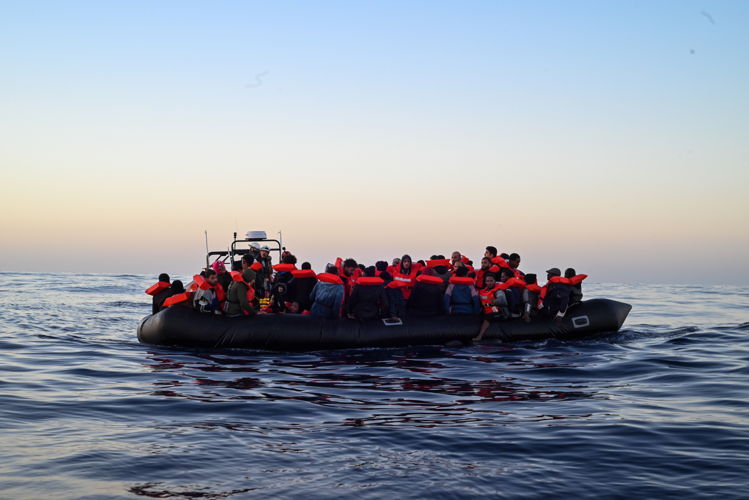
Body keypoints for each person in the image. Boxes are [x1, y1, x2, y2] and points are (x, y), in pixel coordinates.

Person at [473, 273, 510, 341]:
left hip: (500, 313)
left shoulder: (498, 291)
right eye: (487, 281)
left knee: (488, 316)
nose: (489, 283)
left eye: (491, 281)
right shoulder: (482, 291)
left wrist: (495, 302)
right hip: (488, 311)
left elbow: (503, 301)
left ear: (495, 281)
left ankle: (479, 336)